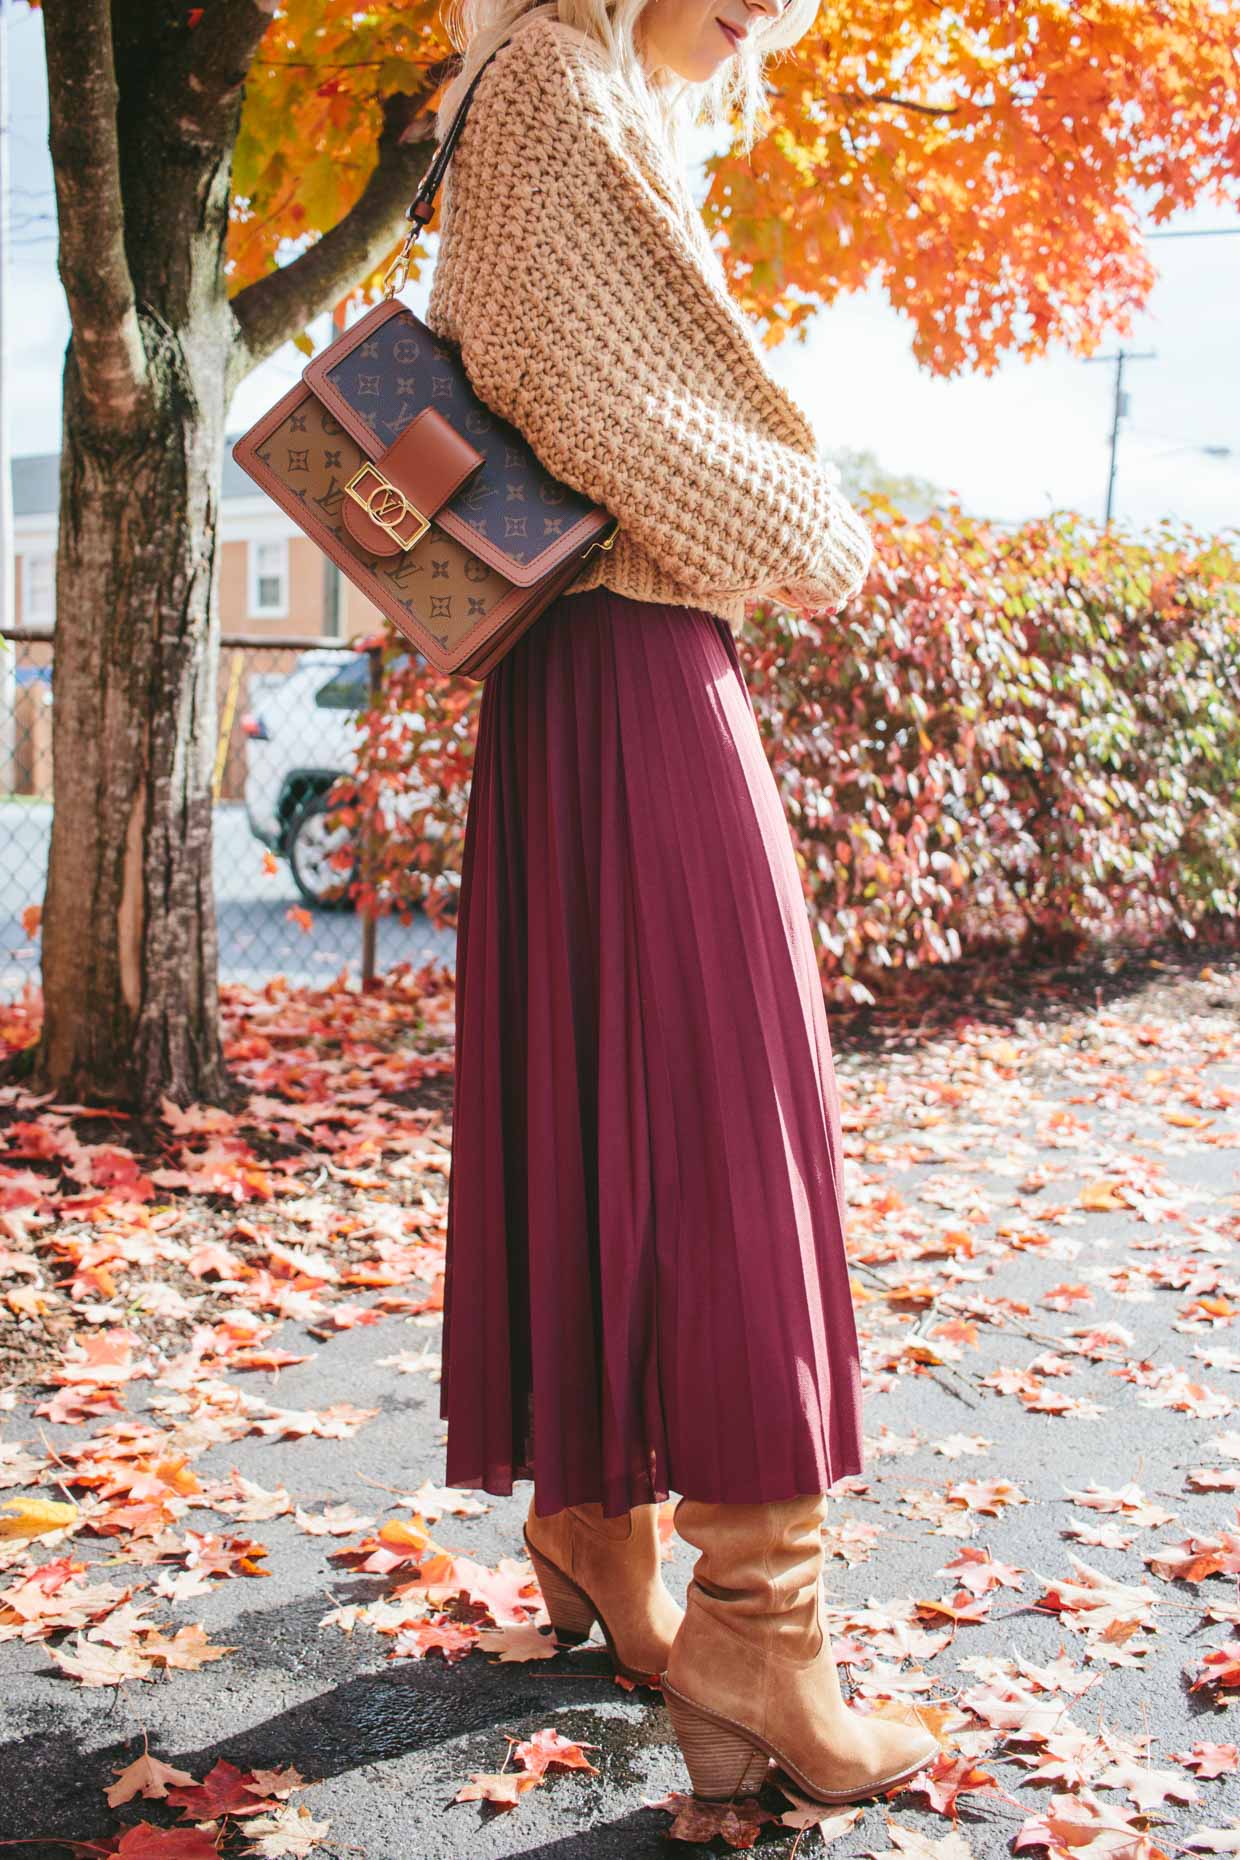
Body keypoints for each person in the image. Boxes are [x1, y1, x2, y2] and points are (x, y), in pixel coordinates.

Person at [424, 0, 940, 1807]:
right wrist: (819, 525)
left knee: (606, 1114)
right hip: (637, 669)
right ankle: (760, 1636)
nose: (766, 5)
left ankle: (597, 1529)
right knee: (740, 1132)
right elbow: (597, 398)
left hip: (579, 679)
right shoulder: (559, 83)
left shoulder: (565, 90)